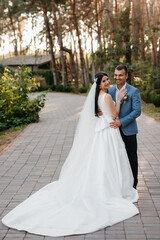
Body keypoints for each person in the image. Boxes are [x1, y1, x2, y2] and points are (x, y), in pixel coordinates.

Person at [2, 72, 139, 237]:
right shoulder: (108, 97)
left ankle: (105, 185)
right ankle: (112, 188)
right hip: (109, 130)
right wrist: (119, 101)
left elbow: (99, 112)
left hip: (101, 130)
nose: (108, 82)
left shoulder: (98, 96)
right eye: (105, 80)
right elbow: (115, 115)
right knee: (110, 160)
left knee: (101, 161)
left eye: (108, 79)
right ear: (99, 84)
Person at [108, 65, 141, 189]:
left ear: (126, 76)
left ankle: (133, 186)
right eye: (115, 75)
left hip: (129, 130)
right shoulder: (109, 91)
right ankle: (119, 185)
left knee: (131, 157)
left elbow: (136, 111)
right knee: (116, 158)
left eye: (120, 75)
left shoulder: (133, 91)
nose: (117, 77)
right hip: (113, 131)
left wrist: (121, 122)